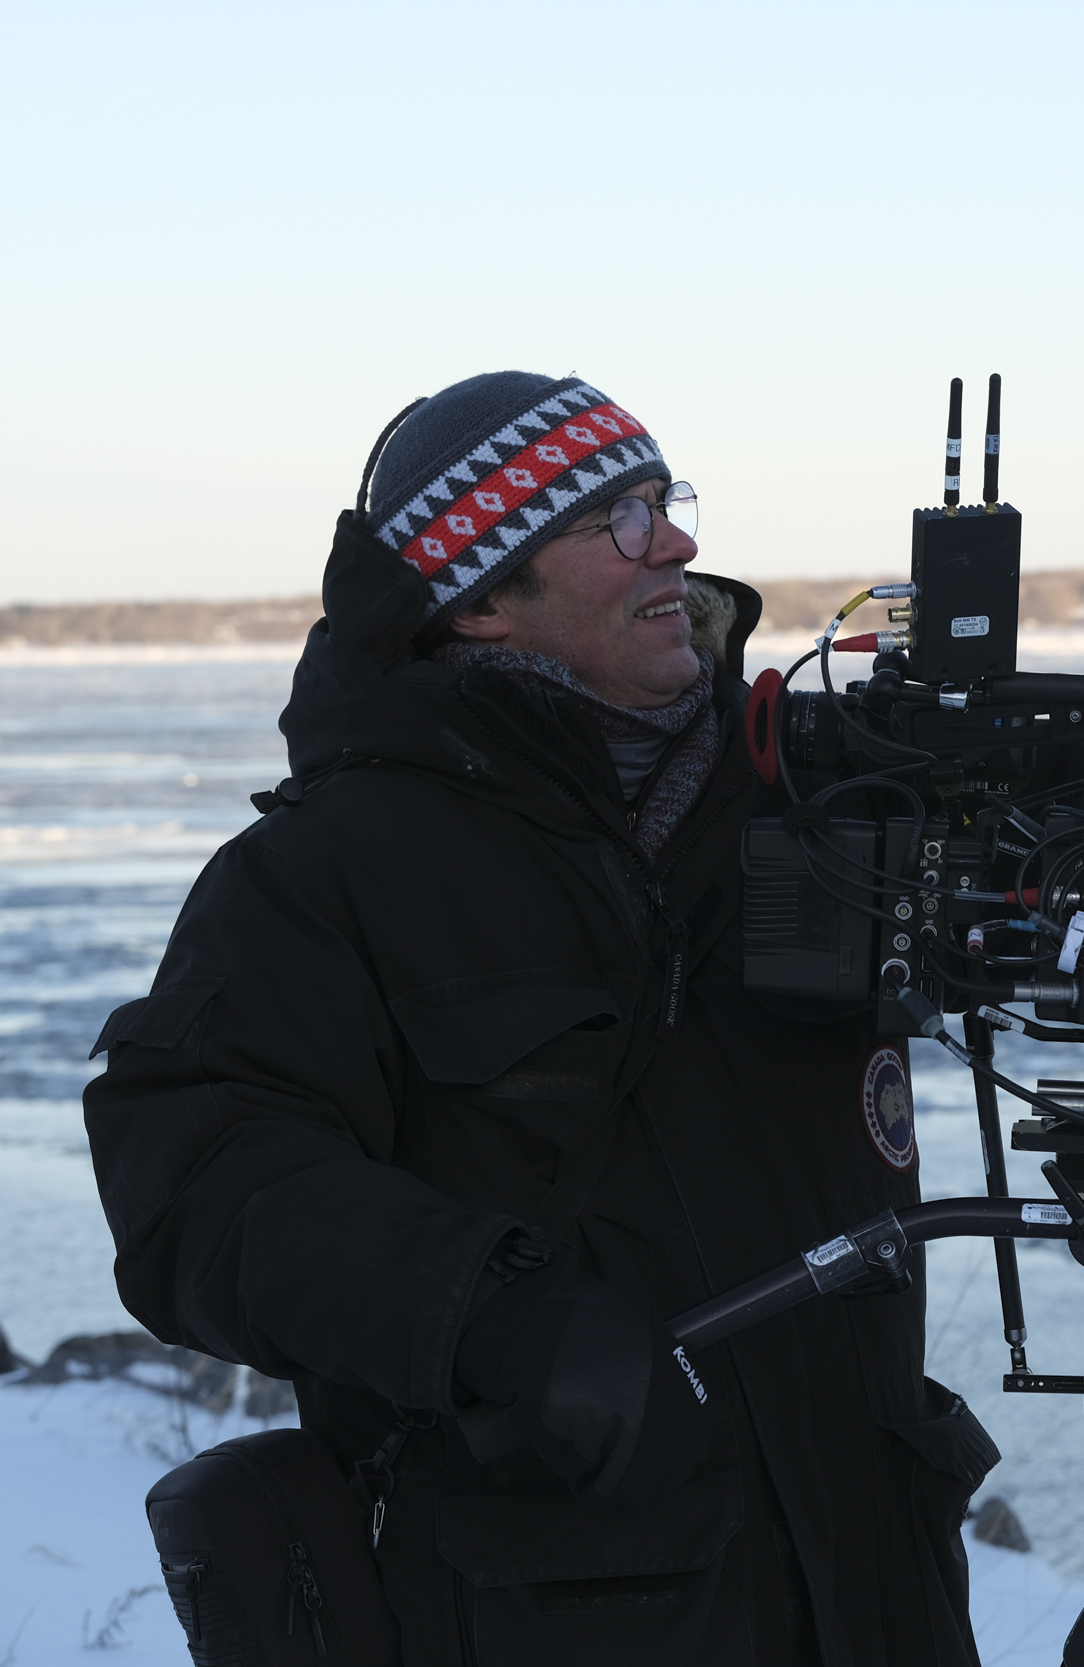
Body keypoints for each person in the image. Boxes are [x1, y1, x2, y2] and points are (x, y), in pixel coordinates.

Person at [84, 372, 997, 1665]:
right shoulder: (327, 874)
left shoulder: (819, 800)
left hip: (877, 1596)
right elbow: (198, 1184)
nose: (673, 544)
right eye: (617, 519)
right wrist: (486, 1315)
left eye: (666, 502)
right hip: (551, 1609)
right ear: (480, 600)